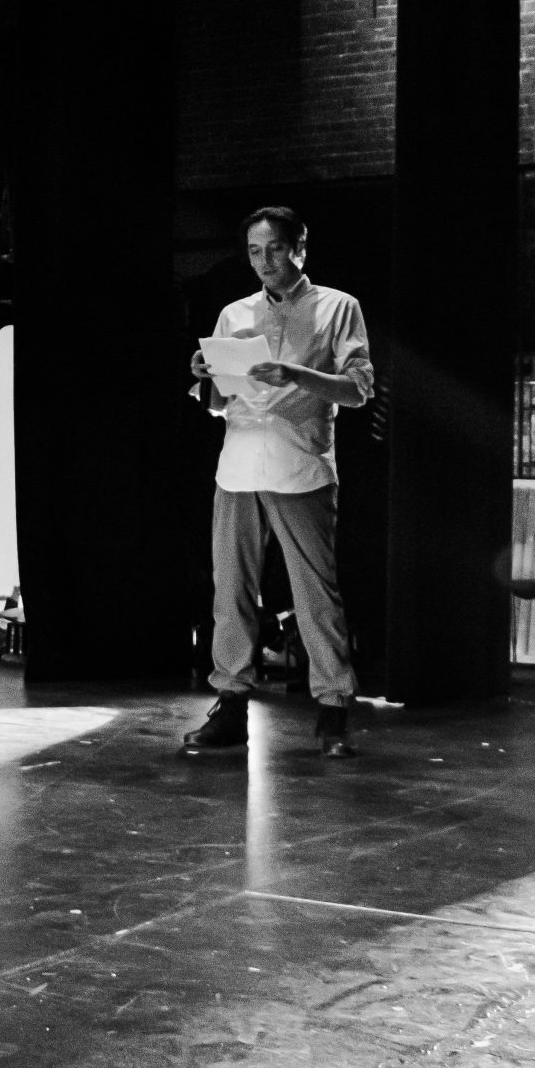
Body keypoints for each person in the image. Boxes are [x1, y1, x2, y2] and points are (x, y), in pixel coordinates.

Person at [184, 207, 373, 759]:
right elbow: (219, 403)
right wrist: (205, 378)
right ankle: (232, 702)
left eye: (273, 249)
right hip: (238, 465)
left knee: (315, 593)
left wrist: (296, 374)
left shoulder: (339, 308)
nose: (264, 262)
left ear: (300, 249)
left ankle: (335, 706)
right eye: (254, 252)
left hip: (300, 467)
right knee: (232, 590)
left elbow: (358, 390)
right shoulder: (233, 313)